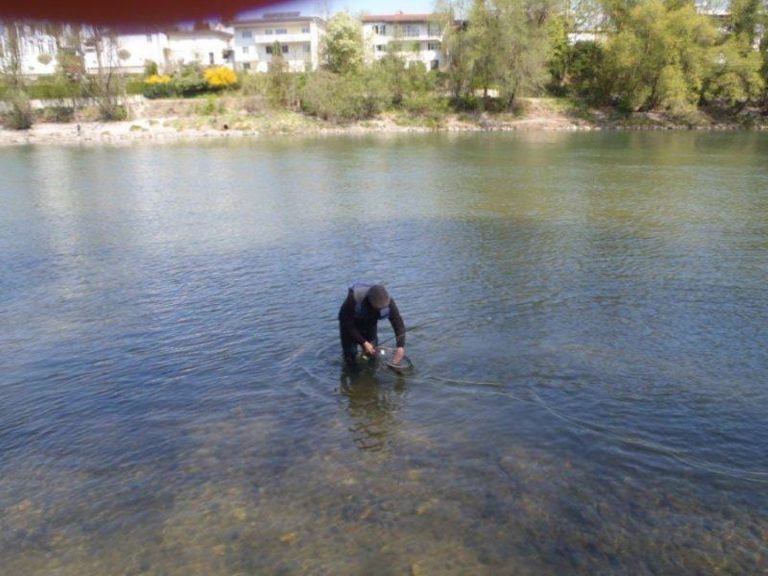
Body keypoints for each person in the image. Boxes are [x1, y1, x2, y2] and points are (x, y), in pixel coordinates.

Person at [338, 283, 405, 368]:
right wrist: (364, 342)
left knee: (372, 352)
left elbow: (398, 323)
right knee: (350, 354)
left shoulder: (388, 301)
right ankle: (352, 368)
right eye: (377, 308)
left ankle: (370, 372)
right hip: (349, 322)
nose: (380, 310)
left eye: (381, 308)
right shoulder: (354, 299)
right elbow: (348, 324)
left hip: (370, 321)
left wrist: (400, 346)